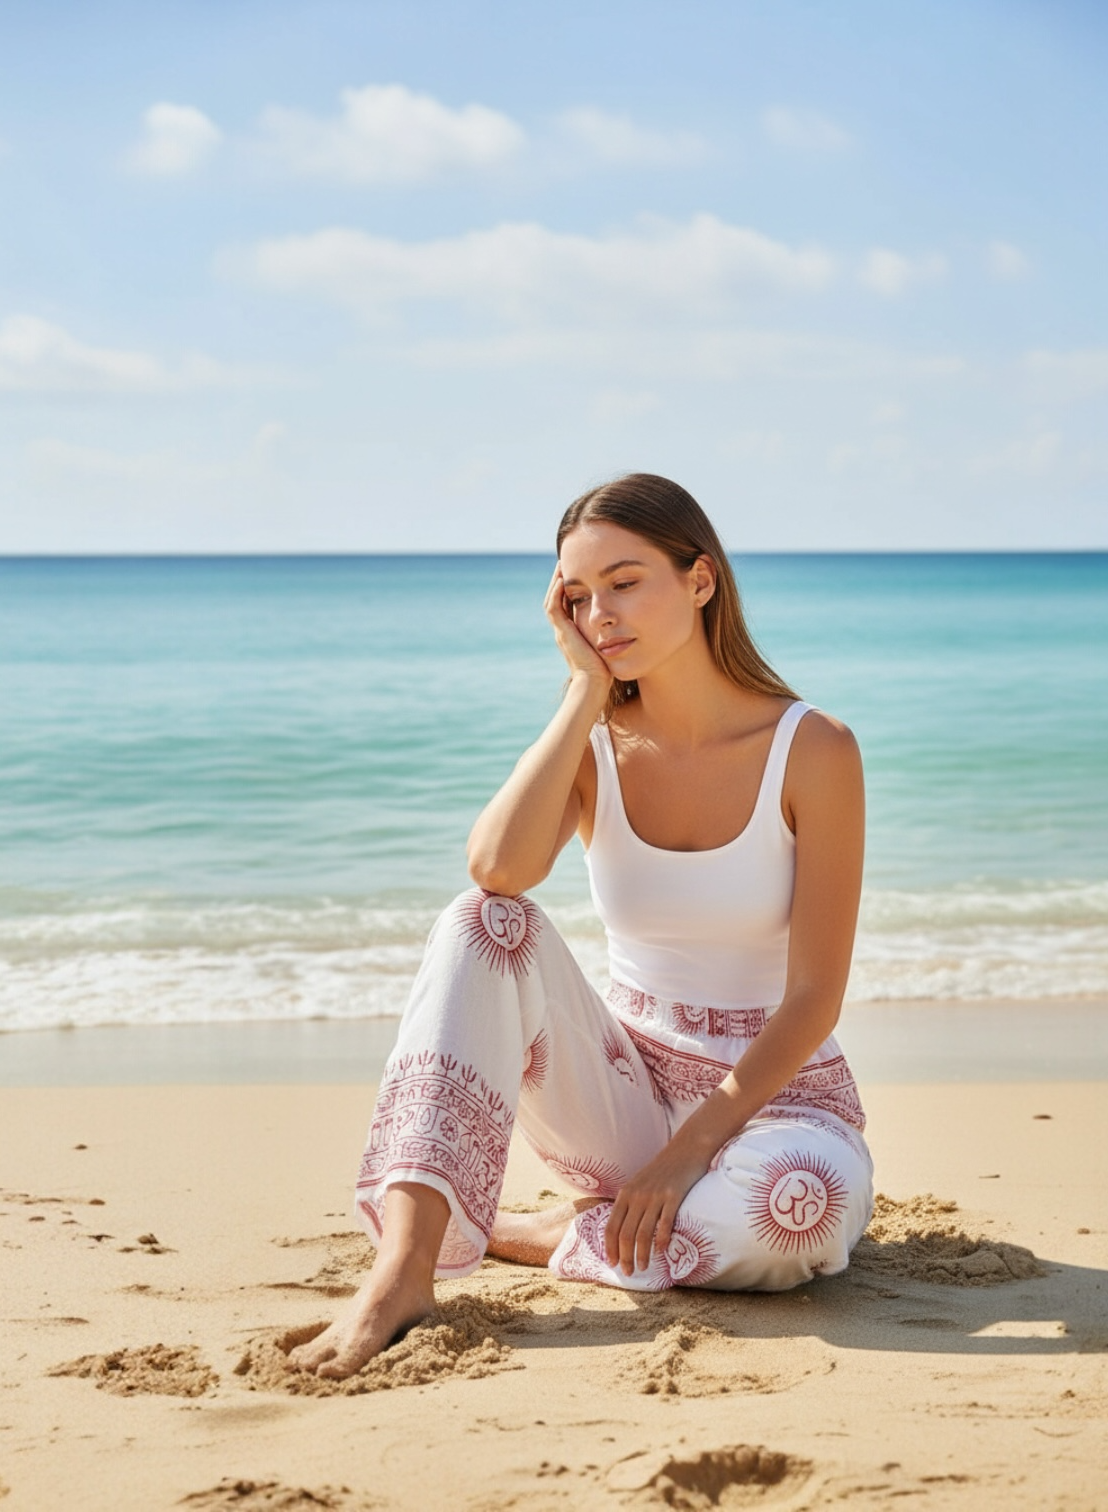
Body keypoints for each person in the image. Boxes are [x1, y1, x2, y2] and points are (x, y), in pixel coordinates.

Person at [289, 473, 873, 1380]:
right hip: (621, 1091)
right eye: (578, 595)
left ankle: (545, 1230)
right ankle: (403, 1269)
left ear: (701, 581)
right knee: (484, 923)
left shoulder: (815, 749)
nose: (602, 612)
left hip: (775, 1107)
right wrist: (580, 697)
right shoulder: (594, 747)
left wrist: (685, 1159)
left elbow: (815, 997)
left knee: (793, 1215)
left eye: (626, 581)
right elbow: (496, 870)